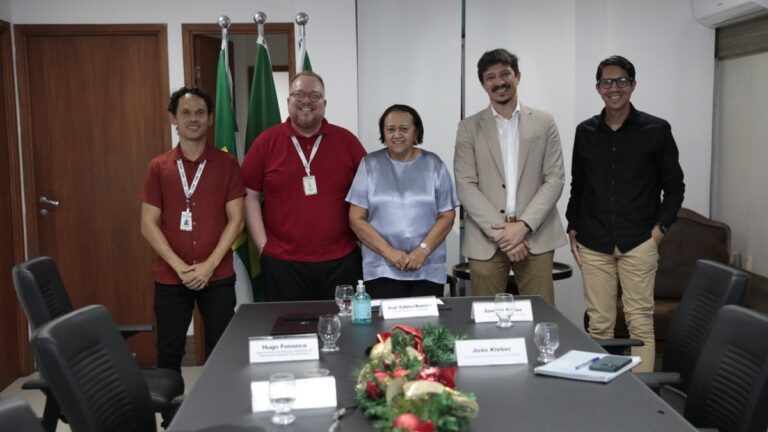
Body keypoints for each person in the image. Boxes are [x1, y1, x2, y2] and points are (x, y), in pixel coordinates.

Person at [565, 55, 685, 372]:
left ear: (632, 85)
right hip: (593, 241)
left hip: (639, 242)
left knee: (640, 322)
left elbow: (675, 187)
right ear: (598, 88)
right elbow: (579, 184)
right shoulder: (585, 131)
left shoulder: (656, 130)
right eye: (607, 82)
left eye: (621, 81)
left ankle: (642, 401)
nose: (613, 88)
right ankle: (602, 400)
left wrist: (658, 233)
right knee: (600, 324)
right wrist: (572, 226)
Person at [140, 87, 245, 373]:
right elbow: (148, 224)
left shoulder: (227, 165)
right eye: (185, 113)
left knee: (222, 350)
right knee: (169, 353)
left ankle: (218, 412)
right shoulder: (159, 167)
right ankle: (170, 419)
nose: (193, 119)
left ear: (210, 118)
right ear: (173, 119)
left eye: (200, 112)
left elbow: (237, 220)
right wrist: (181, 268)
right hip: (171, 277)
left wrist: (208, 266)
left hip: (217, 274)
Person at [454, 48, 568, 304]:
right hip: (487, 239)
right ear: (483, 85)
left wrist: (523, 226)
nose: (499, 82)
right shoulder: (468, 127)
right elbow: (465, 184)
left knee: (541, 316)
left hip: (535, 237)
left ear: (517, 76)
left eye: (505, 74)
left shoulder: (544, 121)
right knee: (484, 319)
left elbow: (555, 178)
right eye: (490, 77)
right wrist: (504, 235)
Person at [242, 71, 366, 301]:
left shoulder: (347, 141)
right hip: (282, 263)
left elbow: (369, 194)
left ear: (325, 103)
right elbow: (250, 196)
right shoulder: (265, 142)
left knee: (344, 332)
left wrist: (361, 240)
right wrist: (263, 246)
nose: (306, 101)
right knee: (289, 332)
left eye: (314, 95)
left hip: (341, 261)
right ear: (288, 100)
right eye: (299, 94)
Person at [346, 104, 459, 299]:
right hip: (381, 268)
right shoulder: (369, 165)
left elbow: (447, 215)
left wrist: (422, 251)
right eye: (390, 129)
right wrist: (389, 252)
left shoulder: (435, 165)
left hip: (426, 267)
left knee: (427, 328)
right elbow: (356, 218)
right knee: (384, 328)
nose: (397, 134)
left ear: (416, 133)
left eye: (404, 129)